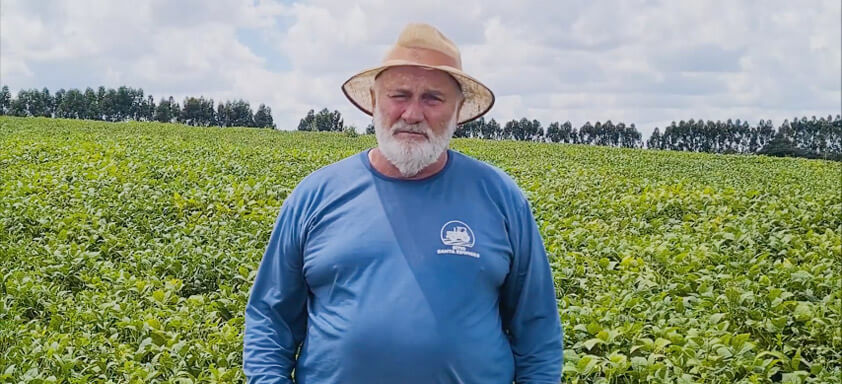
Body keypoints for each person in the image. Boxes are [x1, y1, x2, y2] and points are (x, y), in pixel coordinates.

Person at [243, 22, 563, 384]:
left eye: (433, 98)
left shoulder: (501, 197)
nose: (413, 113)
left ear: (457, 111)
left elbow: (537, 331)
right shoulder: (316, 195)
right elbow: (271, 317)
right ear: (375, 104)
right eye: (400, 95)